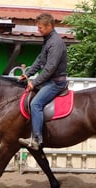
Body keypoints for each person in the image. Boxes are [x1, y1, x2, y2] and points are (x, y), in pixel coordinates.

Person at [18, 13, 68, 151]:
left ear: (49, 26)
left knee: (36, 104)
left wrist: (34, 82)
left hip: (56, 83)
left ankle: (37, 139)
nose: (38, 30)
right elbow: (40, 60)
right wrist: (27, 74)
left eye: (40, 28)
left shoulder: (56, 43)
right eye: (38, 27)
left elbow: (50, 68)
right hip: (49, 81)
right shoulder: (48, 40)